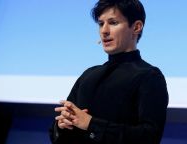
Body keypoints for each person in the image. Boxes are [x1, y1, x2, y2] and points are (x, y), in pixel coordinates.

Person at [49, 0, 169, 144]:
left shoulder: (149, 76)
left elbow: (149, 137)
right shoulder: (88, 75)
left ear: (136, 27)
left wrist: (91, 124)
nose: (104, 31)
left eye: (113, 22)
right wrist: (62, 126)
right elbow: (56, 136)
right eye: (101, 24)